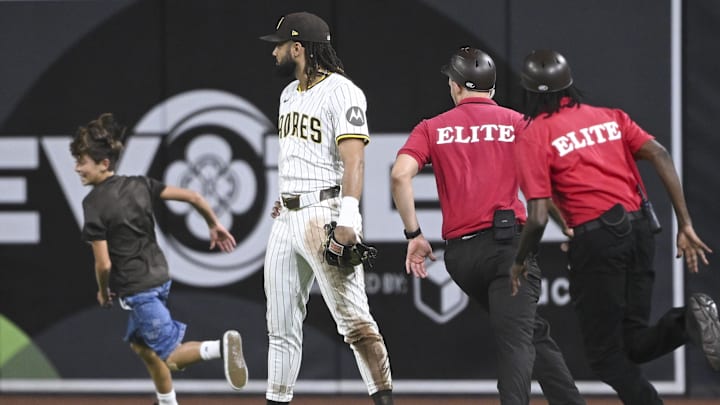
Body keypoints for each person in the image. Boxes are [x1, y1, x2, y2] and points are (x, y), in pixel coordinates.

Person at [511, 49, 720, 405]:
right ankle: (688, 323)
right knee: (633, 343)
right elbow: (661, 155)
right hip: (639, 230)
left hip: (598, 241)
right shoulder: (610, 117)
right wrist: (684, 224)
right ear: (569, 85)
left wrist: (519, 261)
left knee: (605, 356)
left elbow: (537, 216)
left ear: (529, 92)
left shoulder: (534, 135)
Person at [390, 47, 584, 405]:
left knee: (529, 332)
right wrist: (572, 229)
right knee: (517, 341)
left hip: (462, 258)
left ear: (455, 86)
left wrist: (414, 234)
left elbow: (400, 175)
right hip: (508, 250)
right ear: (491, 90)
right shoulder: (518, 123)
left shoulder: (432, 127)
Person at [259, 11, 393, 405]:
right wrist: (285, 195)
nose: (275, 53)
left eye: (280, 45)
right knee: (280, 326)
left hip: (325, 213)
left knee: (355, 324)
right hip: (288, 216)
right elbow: (301, 155)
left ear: (298, 48)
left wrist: (349, 218)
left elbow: (354, 160)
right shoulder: (287, 95)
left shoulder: (342, 92)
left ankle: (384, 401)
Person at [70, 113, 248, 405]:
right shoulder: (140, 184)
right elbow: (193, 196)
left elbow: (103, 264)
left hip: (138, 289)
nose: (77, 168)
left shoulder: (93, 204)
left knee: (172, 357)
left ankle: (220, 347)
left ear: (103, 163)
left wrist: (103, 292)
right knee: (143, 348)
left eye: (82, 161)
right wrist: (213, 224)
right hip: (160, 278)